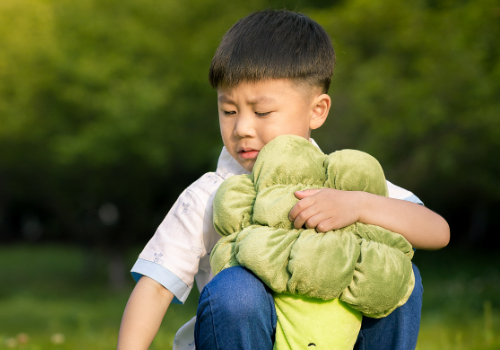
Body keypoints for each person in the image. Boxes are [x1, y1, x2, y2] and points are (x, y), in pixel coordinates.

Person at [117, 9, 450, 350]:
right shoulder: (210, 194)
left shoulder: (340, 180)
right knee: (237, 288)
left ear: (316, 110)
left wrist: (359, 205)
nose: (242, 128)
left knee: (399, 279)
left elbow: (437, 231)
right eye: (228, 110)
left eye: (262, 112)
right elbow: (155, 287)